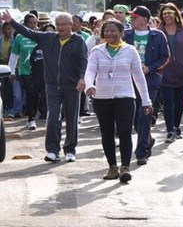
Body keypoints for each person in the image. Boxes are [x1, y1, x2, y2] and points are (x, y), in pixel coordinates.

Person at [1, 10, 88, 162]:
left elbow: (84, 61)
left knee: (72, 118)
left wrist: (82, 78)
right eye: (58, 25)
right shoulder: (48, 38)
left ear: (71, 25)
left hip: (71, 86)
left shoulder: (79, 41)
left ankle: (70, 150)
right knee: (53, 116)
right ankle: (53, 151)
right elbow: (26, 32)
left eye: (64, 25)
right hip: (53, 85)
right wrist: (11, 21)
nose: (60, 28)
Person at [84, 19, 152, 182]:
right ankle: (112, 167)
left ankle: (125, 167)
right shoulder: (97, 51)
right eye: (107, 31)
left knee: (124, 132)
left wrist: (146, 100)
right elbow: (90, 71)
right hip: (102, 98)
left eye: (113, 31)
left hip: (125, 97)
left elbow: (138, 76)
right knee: (107, 133)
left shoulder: (130, 51)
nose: (109, 34)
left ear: (122, 33)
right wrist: (89, 85)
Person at [123, 6, 169, 166]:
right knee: (135, 117)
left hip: (150, 81)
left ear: (144, 19)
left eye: (134, 17)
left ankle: (141, 151)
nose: (132, 20)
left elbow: (165, 56)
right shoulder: (126, 35)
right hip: (128, 81)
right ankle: (148, 139)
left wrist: (150, 68)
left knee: (145, 114)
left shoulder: (158, 35)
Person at [158, 3, 183, 143]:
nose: (168, 15)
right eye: (165, 13)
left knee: (179, 102)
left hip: (182, 71)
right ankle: (169, 130)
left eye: (170, 13)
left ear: (176, 14)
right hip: (165, 72)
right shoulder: (158, 31)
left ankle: (177, 126)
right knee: (168, 102)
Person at [8, 13, 42, 129]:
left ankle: (33, 115)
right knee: (30, 92)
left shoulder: (39, 36)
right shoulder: (19, 37)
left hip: (38, 71)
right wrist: (11, 71)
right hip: (24, 70)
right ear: (26, 24)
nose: (33, 25)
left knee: (36, 94)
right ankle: (31, 119)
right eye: (31, 23)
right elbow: (14, 55)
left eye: (35, 23)